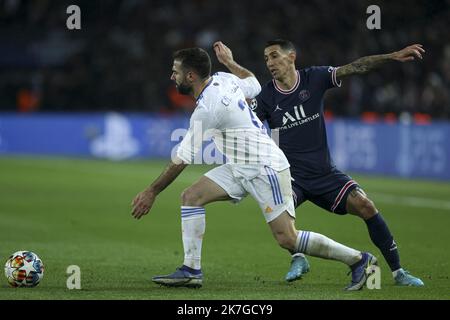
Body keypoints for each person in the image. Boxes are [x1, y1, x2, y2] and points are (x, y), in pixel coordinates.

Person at [131, 42, 377, 290]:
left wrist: (151, 192)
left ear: (191, 76)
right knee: (191, 196)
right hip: (239, 166)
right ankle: (191, 269)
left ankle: (359, 260)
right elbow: (254, 83)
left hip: (264, 166)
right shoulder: (223, 78)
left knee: (287, 238)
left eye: (176, 71)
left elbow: (181, 159)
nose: (172, 76)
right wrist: (229, 62)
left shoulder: (207, 109)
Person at [224, 39, 423, 286]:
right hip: (290, 176)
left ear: (291, 56)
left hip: (324, 173)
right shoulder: (266, 96)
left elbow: (356, 67)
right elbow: (246, 124)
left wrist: (392, 55)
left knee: (366, 206)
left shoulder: (314, 78)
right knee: (282, 228)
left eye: (274, 56)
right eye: (266, 59)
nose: (270, 63)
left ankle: (398, 272)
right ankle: (298, 256)